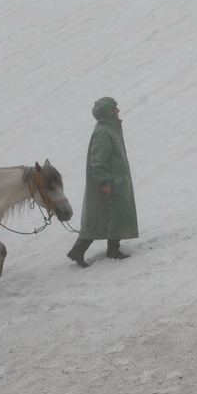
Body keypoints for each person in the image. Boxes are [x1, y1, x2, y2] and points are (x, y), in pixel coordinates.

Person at [67, 97, 138, 268]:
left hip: (118, 180)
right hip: (109, 182)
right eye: (115, 108)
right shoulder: (103, 131)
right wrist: (105, 182)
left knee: (117, 215)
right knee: (99, 217)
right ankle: (78, 251)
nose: (118, 111)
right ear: (107, 112)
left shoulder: (110, 128)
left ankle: (114, 249)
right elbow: (97, 160)